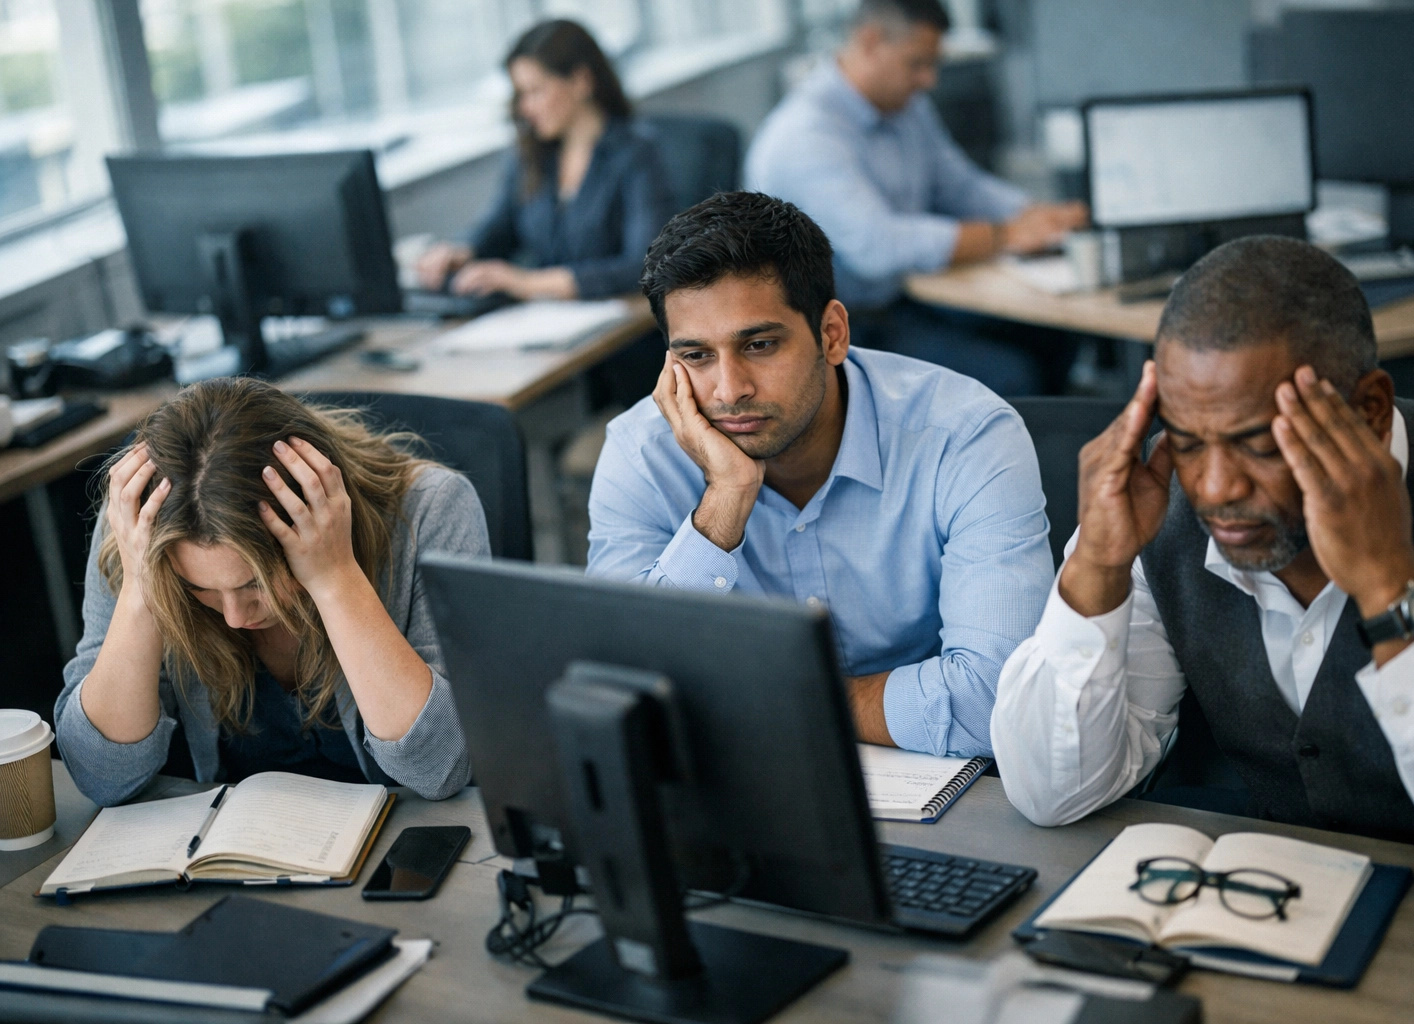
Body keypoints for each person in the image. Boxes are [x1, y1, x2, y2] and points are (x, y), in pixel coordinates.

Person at [990, 236, 1414, 913]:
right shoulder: (1156, 499)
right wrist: (1097, 566)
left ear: (1367, 411)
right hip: (1261, 918)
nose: (1215, 488)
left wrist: (1392, 585)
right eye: (1188, 440)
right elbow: (1051, 793)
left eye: (1258, 443)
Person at [585, 191, 1054, 757]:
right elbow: (615, 692)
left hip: (942, 774)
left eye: (758, 345)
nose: (729, 390)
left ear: (832, 334)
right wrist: (726, 500)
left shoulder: (965, 435)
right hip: (744, 778)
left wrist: (778, 700)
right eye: (697, 356)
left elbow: (996, 702)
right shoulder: (641, 454)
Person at [56, 378, 490, 806]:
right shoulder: (138, 529)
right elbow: (101, 778)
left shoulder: (432, 508)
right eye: (198, 588)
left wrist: (335, 576)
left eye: (255, 584)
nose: (235, 617)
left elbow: (443, 768)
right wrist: (140, 591)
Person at [744, 0, 1087, 396]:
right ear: (870, 42)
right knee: (1010, 375)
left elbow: (959, 185)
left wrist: (1038, 215)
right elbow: (878, 246)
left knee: (1053, 333)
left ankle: (1055, 448)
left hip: (900, 298)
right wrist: (1007, 234)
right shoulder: (805, 135)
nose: (929, 80)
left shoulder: (905, 107)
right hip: (835, 328)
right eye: (917, 63)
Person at [415, 19, 673, 301]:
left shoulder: (636, 153)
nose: (525, 108)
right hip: (546, 319)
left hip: (618, 326)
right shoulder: (531, 155)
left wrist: (527, 283)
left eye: (536, 91)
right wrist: (461, 251)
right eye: (520, 95)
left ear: (580, 81)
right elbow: (498, 228)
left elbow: (643, 266)